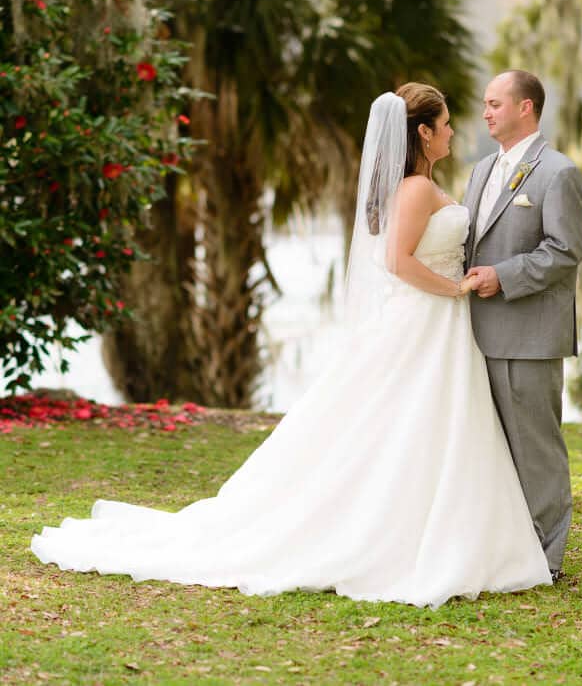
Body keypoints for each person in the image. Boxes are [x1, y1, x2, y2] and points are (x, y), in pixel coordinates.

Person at [31, 83, 552, 607]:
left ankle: (433, 525)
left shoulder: (418, 185)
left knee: (425, 424)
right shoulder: (415, 189)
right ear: (422, 132)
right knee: (412, 421)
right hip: (428, 316)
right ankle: (402, 534)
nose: (452, 132)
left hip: (434, 326)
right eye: (443, 125)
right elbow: (396, 261)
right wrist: (455, 287)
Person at [461, 71, 582, 581]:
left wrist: (503, 276)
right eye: (485, 104)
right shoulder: (479, 172)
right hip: (473, 334)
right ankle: (504, 548)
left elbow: (564, 251)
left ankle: (545, 560)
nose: (486, 112)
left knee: (536, 450)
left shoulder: (558, 173)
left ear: (526, 108)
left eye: (496, 103)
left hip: (528, 335)